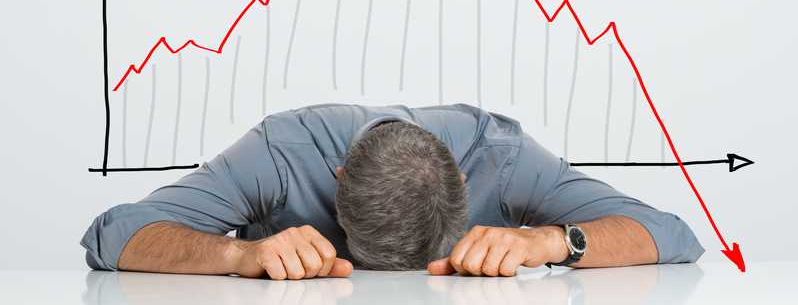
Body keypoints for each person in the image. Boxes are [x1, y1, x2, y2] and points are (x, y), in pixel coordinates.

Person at [81, 103, 704, 280]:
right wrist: (238, 255)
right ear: (337, 183)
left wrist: (552, 241)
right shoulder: (278, 153)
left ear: (464, 181)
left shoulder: (502, 155)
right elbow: (112, 234)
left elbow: (676, 235)